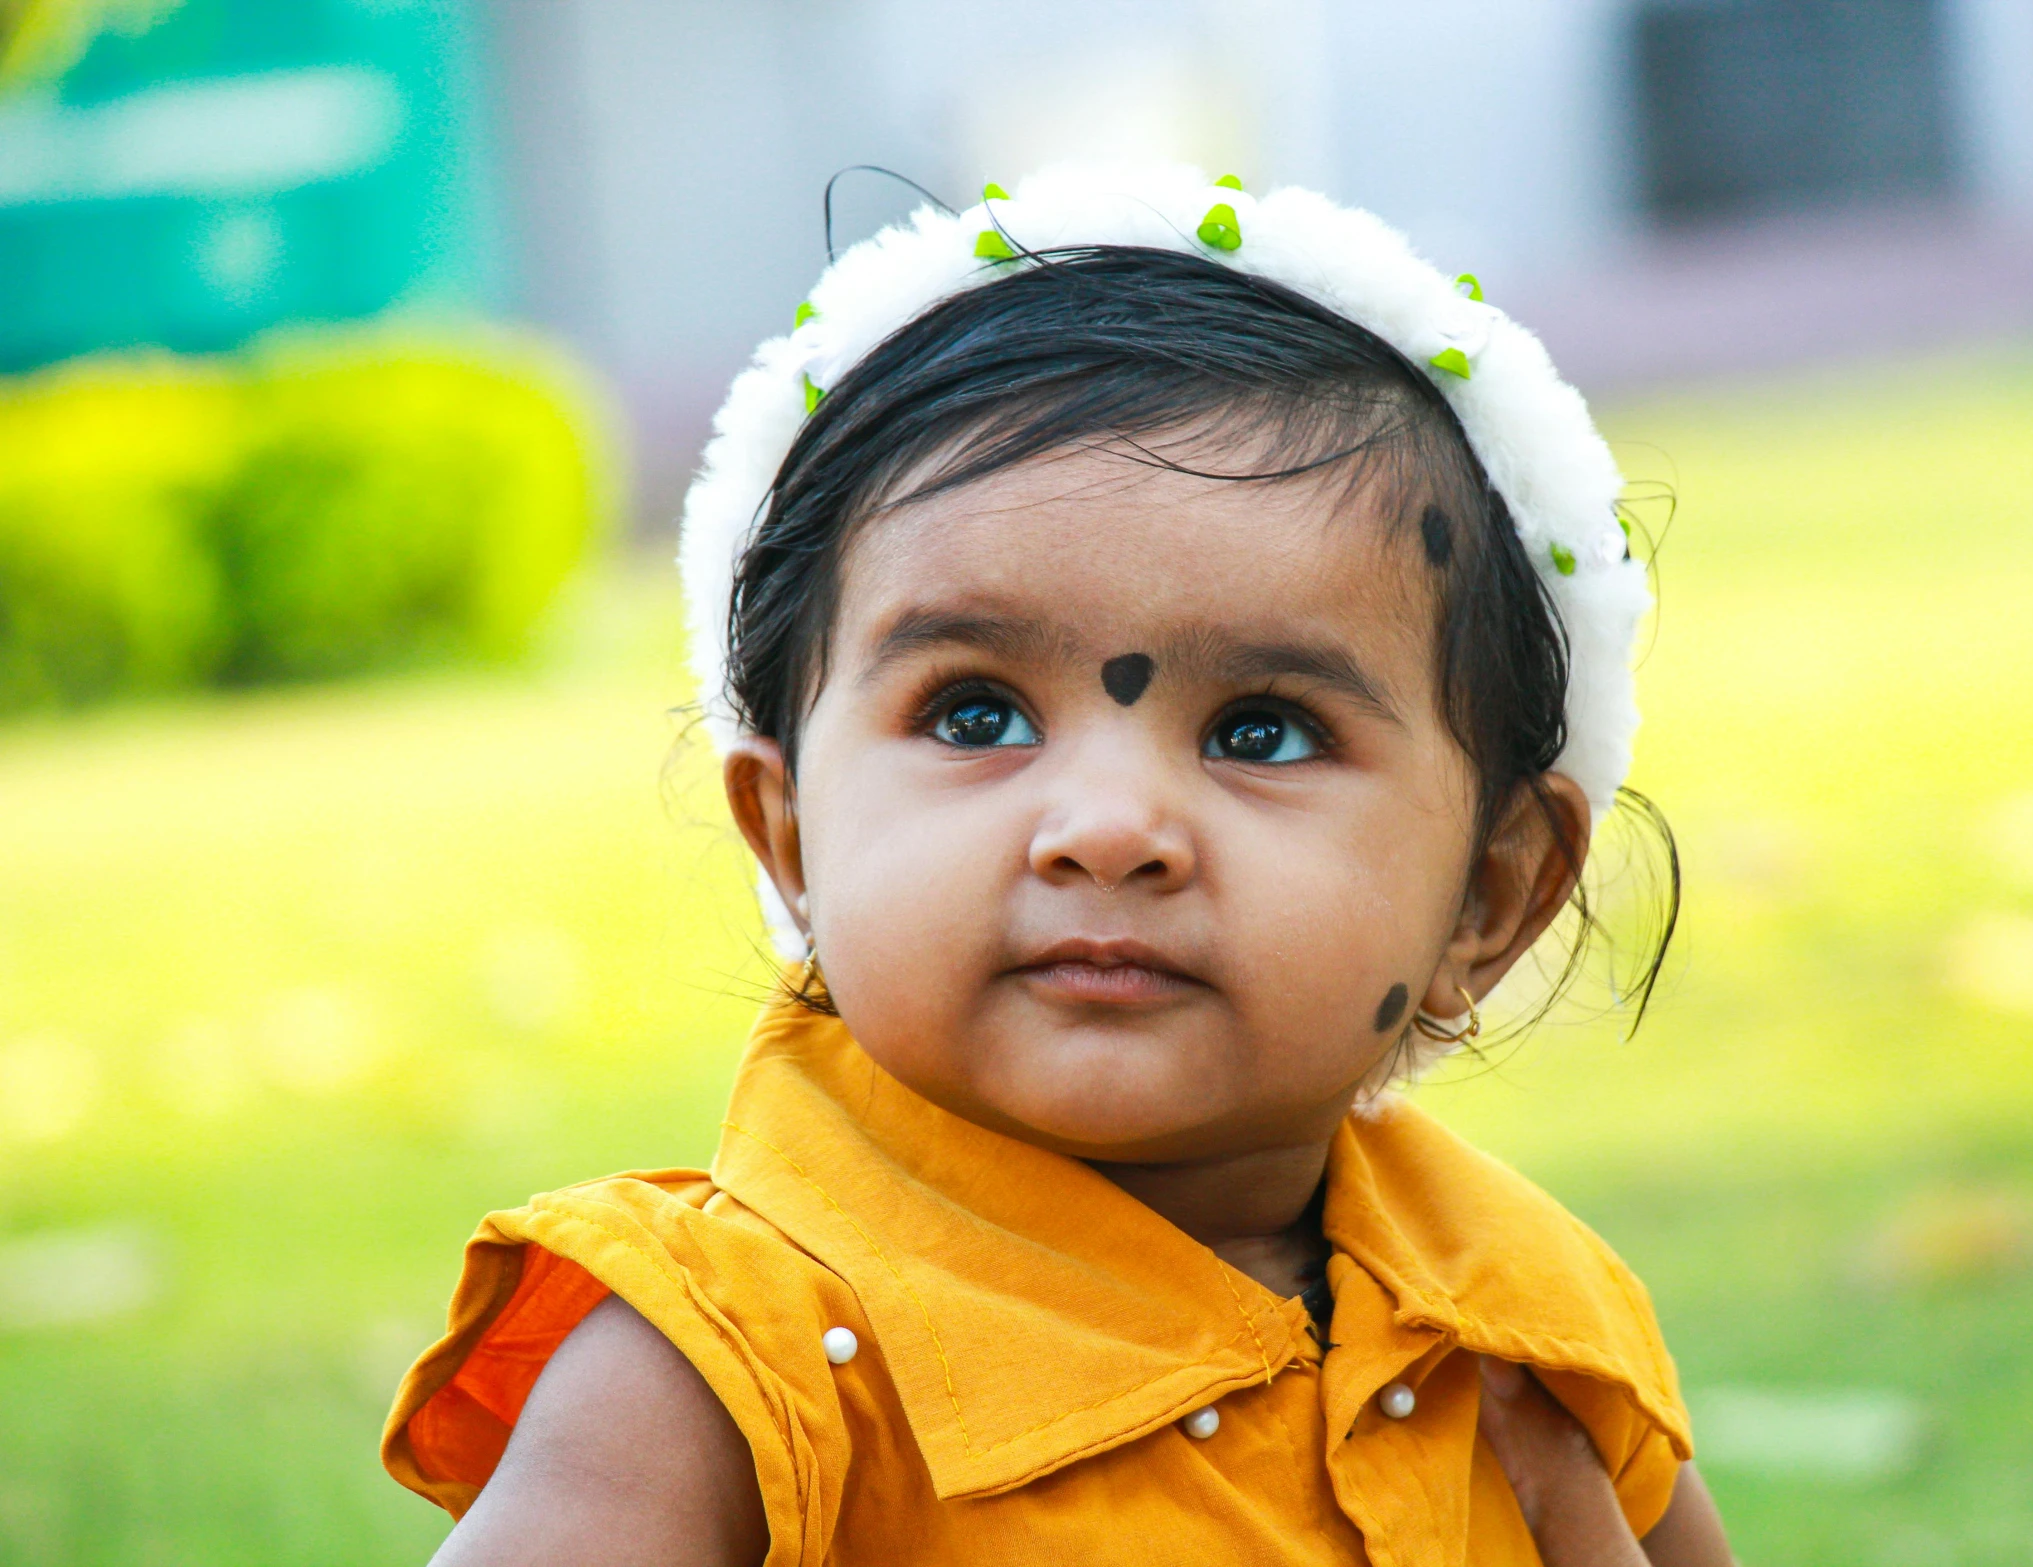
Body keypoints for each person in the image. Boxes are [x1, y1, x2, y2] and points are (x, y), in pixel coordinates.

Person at [382, 164, 1735, 1567]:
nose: (1106, 825)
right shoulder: (729, 1366)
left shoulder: (1517, 1319)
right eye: (976, 714)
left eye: (1261, 730)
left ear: (1490, 896)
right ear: (790, 835)